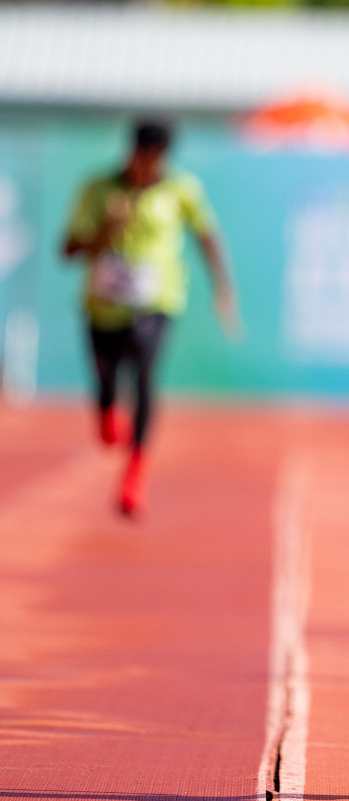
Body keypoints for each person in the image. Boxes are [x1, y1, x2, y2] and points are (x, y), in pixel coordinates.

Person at [62, 118, 238, 517]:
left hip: (156, 300)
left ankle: (135, 472)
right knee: (107, 378)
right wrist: (106, 230)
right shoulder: (99, 188)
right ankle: (106, 407)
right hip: (103, 304)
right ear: (131, 153)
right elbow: (69, 249)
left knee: (144, 371)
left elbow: (206, 235)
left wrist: (223, 287)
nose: (149, 168)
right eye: (144, 158)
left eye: (157, 160)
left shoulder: (181, 190)